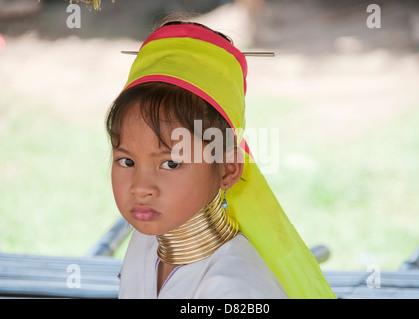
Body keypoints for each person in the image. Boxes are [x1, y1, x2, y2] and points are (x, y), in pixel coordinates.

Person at [105, 20, 335, 299]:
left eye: (171, 163)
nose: (140, 187)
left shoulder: (234, 289)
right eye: (127, 161)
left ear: (227, 169)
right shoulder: (147, 241)